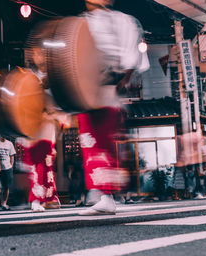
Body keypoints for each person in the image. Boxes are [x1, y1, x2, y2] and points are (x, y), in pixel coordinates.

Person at [77, 0, 149, 215]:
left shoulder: (122, 21)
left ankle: (106, 194)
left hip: (108, 86)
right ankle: (99, 191)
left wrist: (122, 81)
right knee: (89, 140)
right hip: (86, 90)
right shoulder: (81, 22)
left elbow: (130, 57)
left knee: (103, 140)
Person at [0, 133, 16, 210]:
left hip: (7, 167)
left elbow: (12, 155)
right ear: (0, 134)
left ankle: (4, 203)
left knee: (7, 186)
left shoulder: (9, 143)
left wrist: (11, 165)